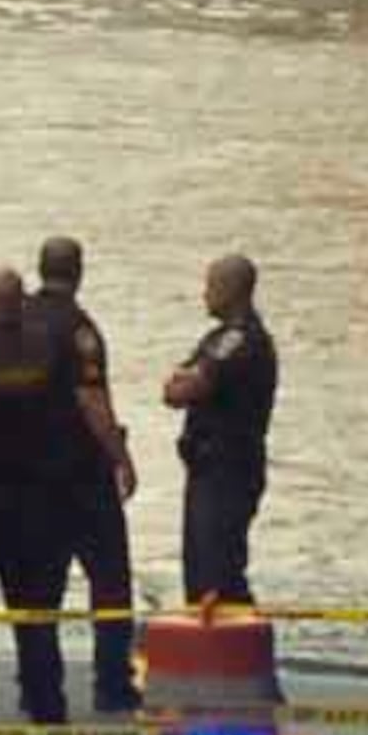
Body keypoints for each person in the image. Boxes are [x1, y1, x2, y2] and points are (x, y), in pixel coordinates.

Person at [0, 259, 136, 735]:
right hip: (37, 506)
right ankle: (48, 729)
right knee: (38, 624)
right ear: (19, 301)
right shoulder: (52, 350)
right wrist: (117, 455)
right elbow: (82, 402)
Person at [36, 232, 143, 715]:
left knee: (40, 587)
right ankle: (112, 683)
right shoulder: (79, 331)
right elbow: (91, 400)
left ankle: (37, 683)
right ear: (79, 271)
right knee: (110, 581)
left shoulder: (19, 319)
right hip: (81, 475)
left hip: (32, 477)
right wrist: (120, 455)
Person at [161, 252, 279, 609]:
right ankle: (206, 650)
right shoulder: (216, 338)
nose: (204, 294)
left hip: (228, 469)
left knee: (219, 575)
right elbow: (172, 388)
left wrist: (189, 381)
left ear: (232, 289)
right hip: (207, 467)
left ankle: (237, 652)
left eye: (211, 285)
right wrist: (186, 380)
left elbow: (188, 388)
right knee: (199, 572)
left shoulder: (240, 340)